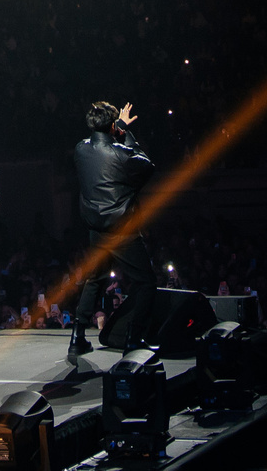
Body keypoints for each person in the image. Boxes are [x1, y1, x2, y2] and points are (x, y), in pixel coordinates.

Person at [71, 97, 155, 359]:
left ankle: (77, 337)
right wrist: (125, 133)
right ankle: (133, 337)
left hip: (97, 230)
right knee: (147, 282)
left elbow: (100, 148)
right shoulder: (122, 154)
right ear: (111, 127)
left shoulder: (80, 150)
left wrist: (115, 126)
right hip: (122, 231)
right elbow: (146, 165)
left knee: (95, 279)